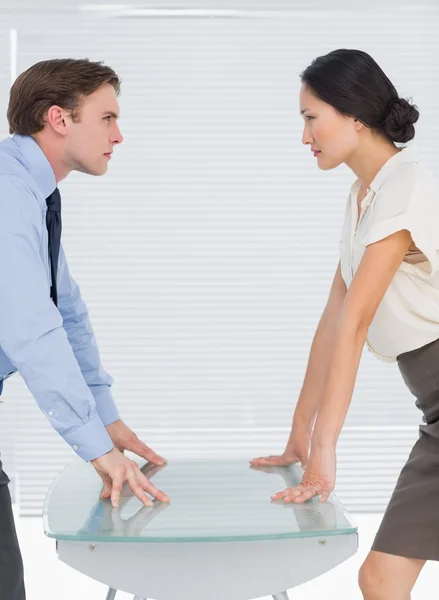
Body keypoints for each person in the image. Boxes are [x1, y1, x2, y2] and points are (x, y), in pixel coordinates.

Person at [251, 48, 439, 599]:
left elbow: (356, 324)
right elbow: (333, 323)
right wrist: (299, 435)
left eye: (312, 118)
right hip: (434, 409)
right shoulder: (364, 197)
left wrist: (326, 450)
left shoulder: (404, 188)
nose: (305, 136)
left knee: (380, 577)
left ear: (354, 114)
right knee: (381, 579)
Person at [0, 58, 170, 600]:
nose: (118, 135)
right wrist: (96, 447)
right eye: (107, 118)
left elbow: (66, 310)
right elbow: (29, 325)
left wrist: (106, 418)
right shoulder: (7, 191)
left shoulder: (35, 193)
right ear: (59, 118)